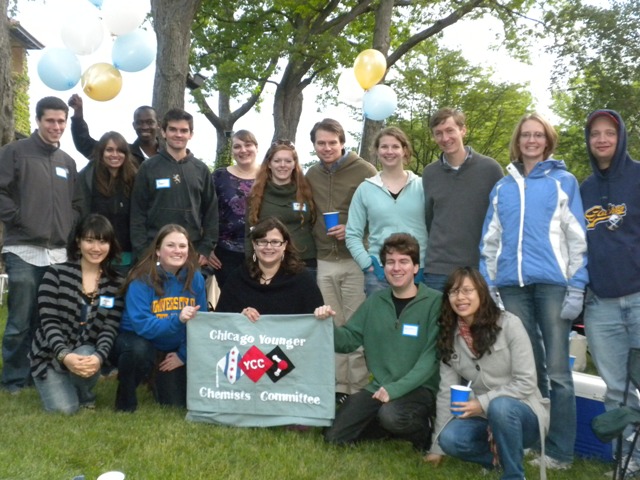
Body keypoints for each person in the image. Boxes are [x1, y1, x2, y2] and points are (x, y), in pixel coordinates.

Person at [479, 112, 588, 470]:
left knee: (558, 370)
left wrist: (577, 284)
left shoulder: (563, 181)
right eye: (525, 134)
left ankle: (560, 451)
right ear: (518, 140)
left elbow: (577, 237)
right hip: (512, 287)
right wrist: (490, 284)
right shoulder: (503, 187)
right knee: (527, 370)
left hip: (554, 286)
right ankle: (531, 436)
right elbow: (490, 241)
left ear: (547, 140)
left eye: (538, 135)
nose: (531, 140)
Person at [315, 233, 440, 452]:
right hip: (379, 387)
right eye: (390, 262)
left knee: (392, 416)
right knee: (334, 437)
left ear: (416, 267)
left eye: (404, 261)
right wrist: (327, 325)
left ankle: (423, 429)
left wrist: (395, 389)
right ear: (383, 267)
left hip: (419, 388)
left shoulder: (435, 302)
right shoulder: (374, 303)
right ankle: (388, 427)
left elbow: (430, 360)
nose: (396, 268)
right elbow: (348, 341)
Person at [424, 267, 550, 480]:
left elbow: (527, 381)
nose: (460, 297)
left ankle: (513, 475)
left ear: (481, 293)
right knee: (450, 439)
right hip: (482, 417)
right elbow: (446, 393)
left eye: (467, 290)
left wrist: (482, 403)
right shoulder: (449, 334)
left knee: (500, 406)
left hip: (523, 412)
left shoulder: (509, 324)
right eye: (454, 292)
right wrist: (437, 448)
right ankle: (500, 459)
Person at [0, 96, 79, 394]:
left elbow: (76, 204)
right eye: (50, 120)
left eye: (61, 121)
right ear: (38, 120)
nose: (56, 126)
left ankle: (39, 373)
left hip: (57, 253)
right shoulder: (15, 153)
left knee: (46, 319)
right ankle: (13, 379)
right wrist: (19, 217)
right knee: (19, 320)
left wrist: (68, 224)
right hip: (22, 249)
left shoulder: (67, 162)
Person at [581, 110, 640, 473]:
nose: (602, 139)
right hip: (600, 304)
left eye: (609, 133)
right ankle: (629, 460)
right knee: (616, 389)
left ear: (620, 139)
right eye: (595, 134)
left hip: (638, 297)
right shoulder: (583, 189)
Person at [305, 118, 377, 403]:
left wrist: (352, 228)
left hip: (354, 259)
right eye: (320, 143)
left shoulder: (365, 171)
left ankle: (356, 389)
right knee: (332, 326)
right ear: (314, 145)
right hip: (324, 259)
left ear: (343, 142)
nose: (326, 148)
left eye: (332, 142)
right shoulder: (311, 174)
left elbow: (380, 212)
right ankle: (336, 388)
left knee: (354, 326)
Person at [30, 214, 124, 414]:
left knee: (87, 355)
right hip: (50, 354)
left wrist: (99, 357)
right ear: (78, 241)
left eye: (102, 241)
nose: (96, 248)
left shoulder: (116, 283)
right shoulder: (55, 274)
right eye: (89, 241)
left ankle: (85, 395)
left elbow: (110, 328)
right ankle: (61, 384)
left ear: (110, 244)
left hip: (84, 352)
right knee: (65, 410)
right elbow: (49, 322)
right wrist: (64, 355)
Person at [111, 224, 206, 412]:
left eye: (182, 246)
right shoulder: (141, 278)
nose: (177, 251)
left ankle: (154, 377)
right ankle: (125, 401)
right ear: (157, 250)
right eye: (170, 245)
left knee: (175, 403)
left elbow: (201, 322)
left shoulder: (195, 278)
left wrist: (183, 355)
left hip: (172, 347)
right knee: (138, 351)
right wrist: (177, 320)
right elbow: (142, 326)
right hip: (138, 341)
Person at [422, 108, 503, 292]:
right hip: (438, 269)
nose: (445, 138)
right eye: (438, 133)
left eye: (450, 130)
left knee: (478, 321)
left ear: (462, 130)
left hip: (478, 267)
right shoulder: (429, 173)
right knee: (438, 321)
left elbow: (501, 218)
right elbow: (429, 219)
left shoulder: (490, 169)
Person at [130, 108, 218, 266]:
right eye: (173, 129)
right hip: (154, 253)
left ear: (191, 134)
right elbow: (137, 213)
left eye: (184, 130)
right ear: (163, 132)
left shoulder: (201, 169)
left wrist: (205, 249)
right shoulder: (148, 167)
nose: (178, 134)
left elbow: (211, 213)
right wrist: (143, 252)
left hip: (191, 253)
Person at [346, 126, 427, 296]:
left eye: (395, 146)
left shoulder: (423, 186)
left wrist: (425, 262)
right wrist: (368, 264)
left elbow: (436, 227)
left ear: (405, 150)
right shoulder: (365, 189)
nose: (389, 151)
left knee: (417, 322)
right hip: (380, 275)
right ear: (376, 151)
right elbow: (352, 233)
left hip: (419, 272)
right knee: (380, 322)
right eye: (384, 146)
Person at [216, 217, 323, 317]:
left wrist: (321, 314)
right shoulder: (238, 278)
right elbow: (222, 321)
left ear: (285, 245)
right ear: (254, 244)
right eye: (262, 241)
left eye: (275, 242)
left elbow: (314, 322)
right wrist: (240, 317)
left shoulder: (302, 279)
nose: (268, 247)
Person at [245, 140, 316, 271]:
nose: (283, 165)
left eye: (288, 161)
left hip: (306, 262)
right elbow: (249, 233)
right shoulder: (256, 195)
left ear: (295, 164)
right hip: (269, 264)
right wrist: (251, 264)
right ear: (269, 164)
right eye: (277, 161)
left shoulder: (306, 191)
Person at [74, 131, 138, 275]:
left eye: (120, 150)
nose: (115, 154)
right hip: (95, 253)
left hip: (125, 256)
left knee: (120, 296)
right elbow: (80, 212)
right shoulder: (87, 177)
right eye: (109, 150)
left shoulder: (135, 178)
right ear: (101, 152)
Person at [209, 130, 260, 287]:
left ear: (257, 148)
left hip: (264, 252)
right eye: (237, 146)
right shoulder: (219, 176)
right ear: (232, 151)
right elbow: (206, 213)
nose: (243, 150)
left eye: (248, 145)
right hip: (226, 253)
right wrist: (208, 248)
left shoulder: (269, 175)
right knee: (232, 300)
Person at [68, 94, 159, 166]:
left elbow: (174, 177)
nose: (145, 127)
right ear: (134, 126)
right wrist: (78, 114)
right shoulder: (124, 153)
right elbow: (85, 144)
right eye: (139, 123)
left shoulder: (168, 152)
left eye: (150, 122)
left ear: (158, 124)